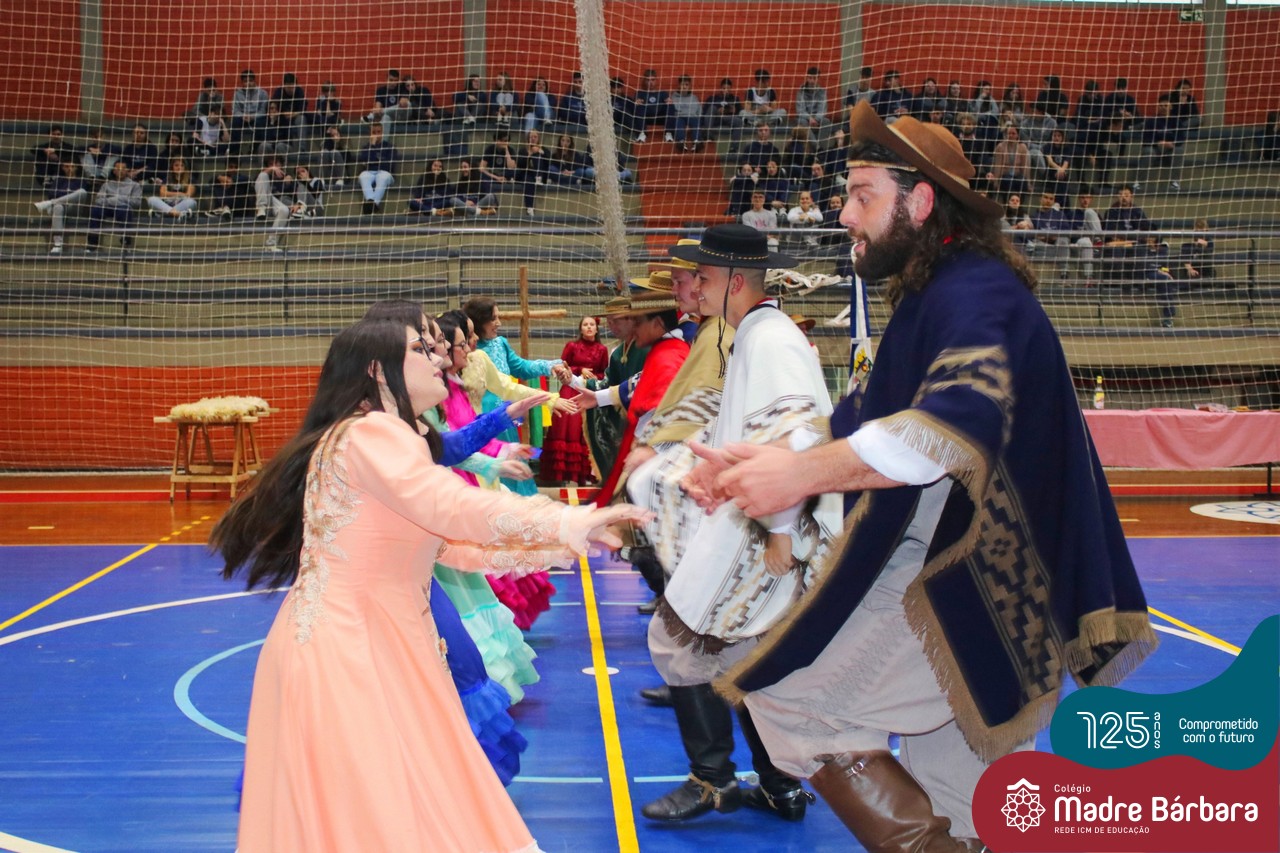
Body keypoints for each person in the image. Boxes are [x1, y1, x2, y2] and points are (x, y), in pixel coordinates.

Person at [684, 101, 1158, 851]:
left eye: (862, 195)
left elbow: (949, 427)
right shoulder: (941, 294)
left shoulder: (977, 293)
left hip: (976, 583)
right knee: (972, 810)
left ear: (922, 201)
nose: (845, 215)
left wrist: (799, 473)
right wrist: (762, 464)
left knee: (794, 702)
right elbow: (863, 419)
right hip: (976, 585)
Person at [211, 318, 647, 852]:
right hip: (349, 653)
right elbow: (450, 506)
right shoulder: (370, 435)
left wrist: (564, 543)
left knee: (408, 805)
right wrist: (565, 521)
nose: (439, 357)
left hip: (376, 644)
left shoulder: (377, 437)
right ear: (378, 370)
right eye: (421, 349)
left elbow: (447, 546)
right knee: (385, 815)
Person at [622, 226, 838, 824]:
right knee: (747, 658)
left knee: (684, 640)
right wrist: (703, 467)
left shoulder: (768, 339)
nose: (693, 288)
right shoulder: (753, 334)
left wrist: (781, 533)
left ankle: (714, 780)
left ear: (734, 282)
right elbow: (745, 429)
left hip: (769, 530)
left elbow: (797, 436)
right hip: (761, 521)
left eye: (704, 277)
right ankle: (778, 784)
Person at [464, 296, 566, 496]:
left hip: (505, 416)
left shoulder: (500, 343)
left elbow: (521, 367)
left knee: (512, 467)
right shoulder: (468, 351)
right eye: (493, 318)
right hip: (480, 419)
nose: (499, 323)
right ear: (479, 321)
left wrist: (550, 365)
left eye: (498, 317)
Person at [583, 295, 648, 486]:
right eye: (609, 322)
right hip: (627, 422)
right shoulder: (618, 353)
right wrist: (577, 381)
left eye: (617, 321)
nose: (612, 326)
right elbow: (608, 383)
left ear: (632, 319)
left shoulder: (646, 348)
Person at [540, 316, 608, 485]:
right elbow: (563, 366)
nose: (589, 327)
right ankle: (560, 477)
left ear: (597, 329)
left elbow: (604, 373)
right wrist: (580, 370)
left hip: (589, 391)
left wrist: (594, 377)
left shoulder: (602, 349)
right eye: (585, 324)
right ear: (581, 329)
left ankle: (584, 477)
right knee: (565, 428)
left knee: (583, 430)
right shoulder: (572, 346)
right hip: (569, 390)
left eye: (592, 324)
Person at [85, 159, 141, 254]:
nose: (120, 171)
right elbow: (98, 200)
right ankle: (92, 245)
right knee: (95, 210)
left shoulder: (135, 185)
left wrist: (119, 199)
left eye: (123, 168)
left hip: (123, 208)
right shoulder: (107, 184)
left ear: (127, 170)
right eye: (118, 168)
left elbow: (136, 202)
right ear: (114, 171)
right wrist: (112, 201)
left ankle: (126, 243)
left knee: (124, 210)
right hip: (108, 208)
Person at [34, 159, 88, 254]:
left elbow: (81, 196)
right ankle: (58, 245)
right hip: (59, 208)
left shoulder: (81, 181)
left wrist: (62, 196)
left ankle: (48, 203)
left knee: (82, 192)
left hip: (74, 207)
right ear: (62, 168)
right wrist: (69, 196)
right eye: (67, 166)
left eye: (72, 166)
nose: (69, 169)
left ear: (76, 168)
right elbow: (52, 194)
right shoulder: (58, 180)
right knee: (58, 207)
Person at [356, 122, 400, 214]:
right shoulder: (366, 148)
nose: (376, 135)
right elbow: (365, 161)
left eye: (379, 132)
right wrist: (372, 146)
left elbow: (388, 166)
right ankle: (373, 204)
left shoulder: (389, 147)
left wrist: (373, 162)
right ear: (370, 134)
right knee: (363, 176)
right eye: (374, 132)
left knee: (382, 177)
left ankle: (371, 205)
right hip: (369, 172)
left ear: (382, 133)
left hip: (385, 173)